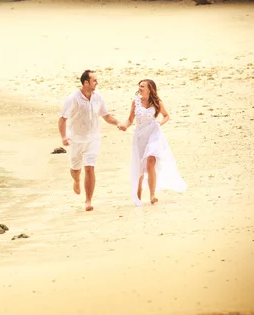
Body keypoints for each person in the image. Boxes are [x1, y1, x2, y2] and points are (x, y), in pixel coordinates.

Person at [58, 70, 126, 211]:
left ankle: (88, 201)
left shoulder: (98, 98)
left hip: (93, 139)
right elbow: (62, 119)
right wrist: (64, 136)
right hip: (75, 140)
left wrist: (117, 123)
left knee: (89, 167)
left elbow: (106, 116)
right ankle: (76, 180)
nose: (97, 82)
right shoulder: (73, 98)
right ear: (86, 82)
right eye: (94, 80)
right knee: (75, 169)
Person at [121, 79, 187, 206]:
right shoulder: (135, 102)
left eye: (142, 86)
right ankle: (138, 196)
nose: (140, 88)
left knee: (151, 161)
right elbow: (130, 119)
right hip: (140, 135)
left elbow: (166, 115)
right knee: (139, 166)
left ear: (149, 89)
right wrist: (124, 126)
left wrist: (160, 124)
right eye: (139, 86)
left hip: (154, 134)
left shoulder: (157, 102)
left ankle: (152, 195)